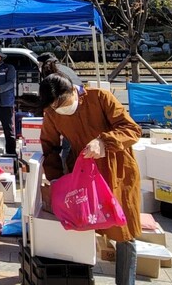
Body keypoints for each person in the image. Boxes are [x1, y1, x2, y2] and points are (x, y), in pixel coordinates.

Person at [38, 73, 141, 285]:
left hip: (117, 168)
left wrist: (105, 141)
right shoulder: (52, 112)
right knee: (83, 223)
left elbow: (132, 129)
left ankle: (125, 281)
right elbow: (49, 146)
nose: (60, 110)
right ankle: (82, 277)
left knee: (124, 231)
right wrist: (56, 179)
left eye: (63, 103)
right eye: (55, 107)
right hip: (82, 173)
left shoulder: (100, 98)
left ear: (74, 91)